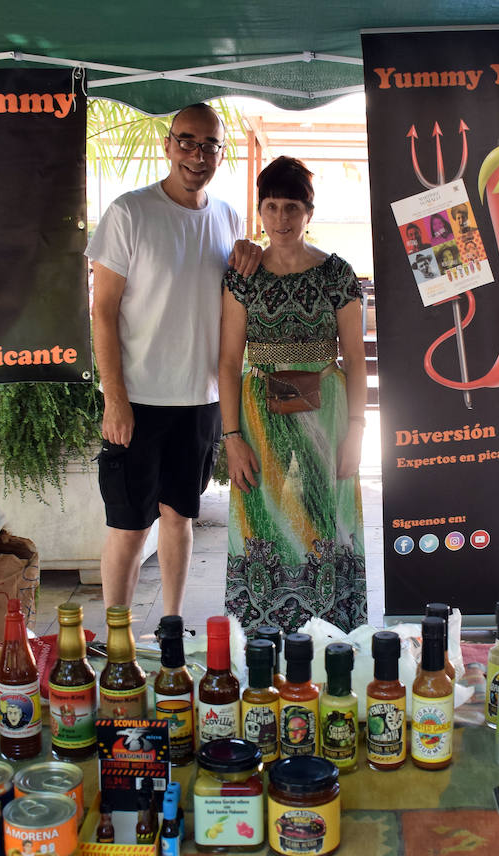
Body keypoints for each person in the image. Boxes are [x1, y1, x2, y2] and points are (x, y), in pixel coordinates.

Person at [87, 103, 261, 616]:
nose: (197, 155)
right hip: (138, 398)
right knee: (129, 524)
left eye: (209, 145)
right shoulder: (129, 212)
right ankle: (117, 638)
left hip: (199, 399)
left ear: (221, 154)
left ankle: (170, 625)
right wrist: (114, 398)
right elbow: (102, 312)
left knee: (180, 516)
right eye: (187, 141)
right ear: (168, 144)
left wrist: (251, 254)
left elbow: (236, 294)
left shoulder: (229, 217)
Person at [218, 156, 368, 634]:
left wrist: (358, 432)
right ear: (259, 211)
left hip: (327, 417)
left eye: (292, 208)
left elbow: (356, 359)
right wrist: (231, 437)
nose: (281, 219)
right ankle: (263, 636)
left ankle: (330, 637)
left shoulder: (337, 275)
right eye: (272, 207)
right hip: (259, 415)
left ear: (309, 212)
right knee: (260, 519)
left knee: (327, 518)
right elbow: (227, 362)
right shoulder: (243, 275)